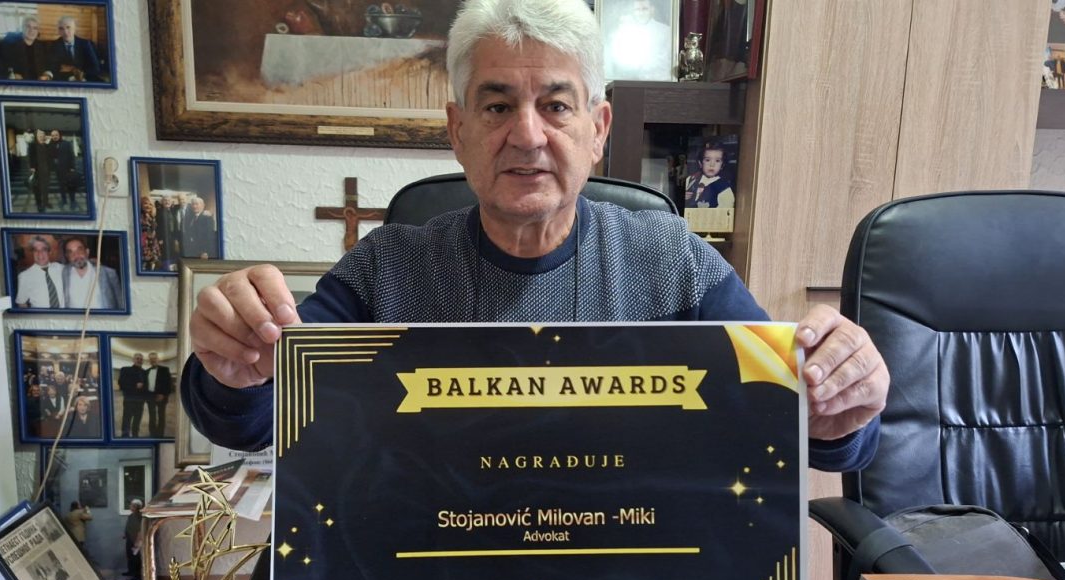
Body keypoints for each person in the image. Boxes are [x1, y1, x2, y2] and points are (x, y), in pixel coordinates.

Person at [181, 0, 889, 469]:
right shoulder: (387, 269)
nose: (527, 134)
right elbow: (254, 419)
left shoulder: (673, 263)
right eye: (497, 106)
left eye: (556, 105)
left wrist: (839, 409)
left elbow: (790, 422)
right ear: (458, 131)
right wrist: (232, 370)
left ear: (598, 130)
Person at [604, 0, 672, 80]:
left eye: (644, 9)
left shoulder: (665, 31)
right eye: (637, 9)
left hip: (660, 80)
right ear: (633, 12)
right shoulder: (627, 33)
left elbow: (667, 61)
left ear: (652, 10)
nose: (641, 13)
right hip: (633, 81)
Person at [60, 236, 122, 310]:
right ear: (67, 256)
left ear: (87, 252)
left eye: (79, 250)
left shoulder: (109, 273)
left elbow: (120, 301)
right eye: (70, 252)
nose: (76, 255)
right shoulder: (63, 273)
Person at [47, 16, 103, 82]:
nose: (65, 32)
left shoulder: (85, 44)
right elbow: (51, 68)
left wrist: (74, 69)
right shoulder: (54, 45)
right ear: (59, 31)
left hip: (85, 78)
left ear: (74, 29)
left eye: (68, 27)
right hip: (65, 80)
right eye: (61, 29)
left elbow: (96, 68)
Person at [15, 236, 65, 308]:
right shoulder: (24, 276)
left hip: (64, 314)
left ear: (49, 252)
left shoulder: (61, 268)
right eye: (36, 250)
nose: (40, 253)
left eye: (43, 249)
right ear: (32, 253)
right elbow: (22, 303)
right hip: (40, 315)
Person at [684, 140, 734, 209]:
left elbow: (725, 210)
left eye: (717, 161)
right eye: (707, 160)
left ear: (722, 165)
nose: (712, 165)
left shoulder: (724, 188)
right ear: (700, 163)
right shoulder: (691, 179)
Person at [0, 17, 51, 81]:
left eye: (35, 28)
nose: (31, 31)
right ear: (22, 28)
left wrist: (47, 76)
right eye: (28, 27)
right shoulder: (10, 46)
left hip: (39, 83)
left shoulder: (43, 47)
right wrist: (13, 75)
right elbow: (2, 67)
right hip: (19, 83)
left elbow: (49, 66)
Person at [117, 352, 147, 437]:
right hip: (129, 399)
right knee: (127, 419)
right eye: (137, 358)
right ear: (133, 360)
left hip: (140, 400)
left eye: (141, 359)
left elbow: (146, 385)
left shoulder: (144, 372)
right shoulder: (125, 369)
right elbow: (121, 383)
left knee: (137, 419)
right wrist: (135, 385)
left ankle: (135, 436)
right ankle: (125, 436)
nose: (139, 360)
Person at [145, 352, 174, 438]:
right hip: (150, 396)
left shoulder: (165, 369)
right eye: (151, 359)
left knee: (161, 416)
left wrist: (163, 394)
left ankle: (160, 435)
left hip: (161, 396)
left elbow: (169, 384)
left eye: (154, 358)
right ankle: (152, 434)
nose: (153, 360)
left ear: (158, 359)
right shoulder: (146, 371)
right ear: (149, 360)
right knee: (152, 416)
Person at [49, 129, 79, 210]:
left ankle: (73, 202)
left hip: (68, 169)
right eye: (53, 135)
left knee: (71, 186)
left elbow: (71, 156)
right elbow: (50, 157)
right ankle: (64, 200)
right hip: (58, 170)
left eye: (56, 135)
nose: (54, 137)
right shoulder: (50, 145)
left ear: (59, 135)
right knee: (61, 186)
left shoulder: (66, 143)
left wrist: (72, 167)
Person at [27, 129, 53, 212]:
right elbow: (30, 157)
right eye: (40, 135)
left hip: (46, 170)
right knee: (37, 188)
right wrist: (32, 167)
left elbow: (50, 156)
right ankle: (39, 204)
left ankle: (46, 202)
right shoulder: (32, 145)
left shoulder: (46, 145)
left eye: (43, 135)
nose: (42, 137)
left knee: (46, 187)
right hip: (37, 170)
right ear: (36, 136)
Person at [124, 498, 144, 578]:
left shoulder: (140, 517)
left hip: (136, 540)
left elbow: (140, 529)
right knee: (129, 555)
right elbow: (129, 526)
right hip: (129, 539)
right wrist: (125, 534)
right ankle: (130, 571)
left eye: (132, 505)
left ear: (136, 507)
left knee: (136, 557)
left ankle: (137, 574)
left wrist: (137, 541)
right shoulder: (131, 516)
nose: (130, 506)